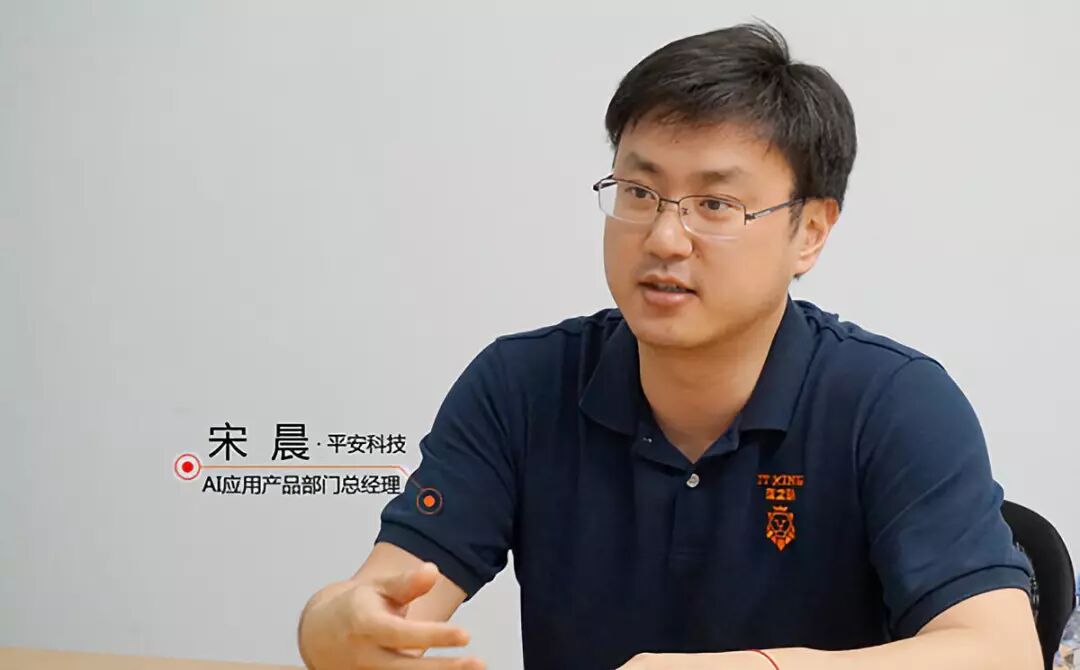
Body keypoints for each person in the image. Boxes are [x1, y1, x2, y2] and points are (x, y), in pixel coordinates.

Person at [296, 21, 1041, 670]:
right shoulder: (520, 387)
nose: (663, 238)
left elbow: (1002, 652)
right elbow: (377, 604)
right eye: (639, 193)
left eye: (715, 204)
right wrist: (334, 627)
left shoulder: (893, 402)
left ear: (810, 231)